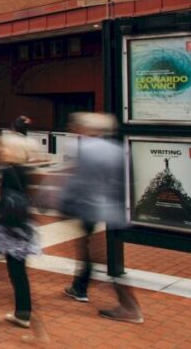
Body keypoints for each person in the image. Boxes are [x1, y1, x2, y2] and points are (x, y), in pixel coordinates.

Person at [59, 112, 143, 323]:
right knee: (89, 251)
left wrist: (65, 202)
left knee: (100, 256)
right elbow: (128, 183)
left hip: (91, 208)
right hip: (112, 210)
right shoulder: (117, 150)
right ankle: (80, 287)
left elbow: (80, 182)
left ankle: (130, 307)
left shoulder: (86, 149)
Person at [0, 133, 39, 329]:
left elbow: (1, 202)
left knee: (16, 271)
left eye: (4, 147)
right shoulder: (25, 170)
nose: (0, 150)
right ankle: (23, 311)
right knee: (19, 271)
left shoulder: (8, 171)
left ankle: (23, 312)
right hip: (24, 225)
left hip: (12, 228)